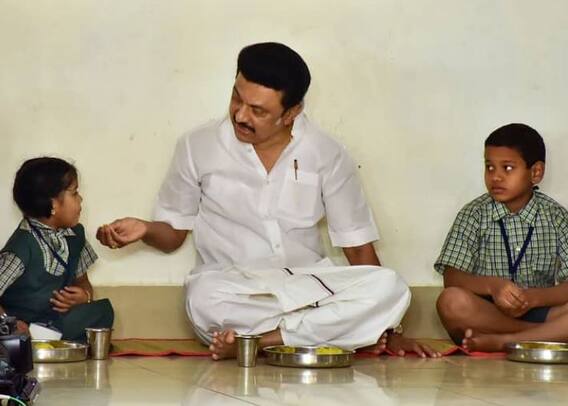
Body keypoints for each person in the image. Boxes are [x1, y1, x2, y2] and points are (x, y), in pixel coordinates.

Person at [97, 42, 438, 358]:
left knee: (390, 285)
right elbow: (173, 236)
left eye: (257, 110)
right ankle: (326, 332)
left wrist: (391, 328)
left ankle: (259, 342)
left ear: (291, 112)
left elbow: (358, 248)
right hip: (234, 288)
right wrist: (145, 229)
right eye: (236, 98)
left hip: (306, 285)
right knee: (202, 300)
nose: (240, 116)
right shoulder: (196, 146)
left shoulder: (327, 153)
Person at [435, 123, 568, 352]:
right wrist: (492, 286)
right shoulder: (474, 214)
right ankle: (543, 337)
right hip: (488, 312)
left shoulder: (556, 217)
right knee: (450, 302)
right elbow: (452, 278)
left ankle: (503, 341)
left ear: (536, 172)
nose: (495, 177)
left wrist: (533, 298)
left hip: (541, 310)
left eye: (507, 168)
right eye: (489, 167)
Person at [0, 157, 114, 341]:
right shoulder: (21, 247)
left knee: (102, 311)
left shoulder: (74, 235)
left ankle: (45, 342)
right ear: (53, 204)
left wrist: (84, 296)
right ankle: (27, 342)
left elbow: (82, 281)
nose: (81, 199)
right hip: (23, 325)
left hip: (54, 321)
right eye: (75, 193)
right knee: (15, 337)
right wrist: (8, 323)